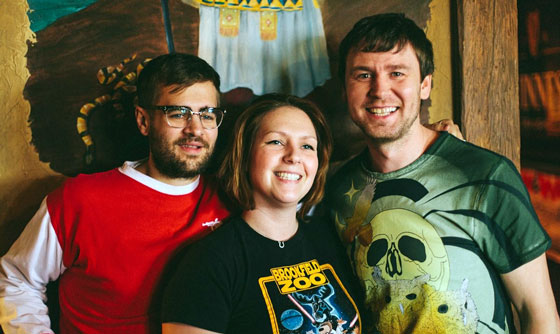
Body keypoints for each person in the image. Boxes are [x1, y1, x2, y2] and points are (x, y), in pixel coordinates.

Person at [325, 13, 560, 334]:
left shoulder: (486, 175)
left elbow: (539, 315)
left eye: (397, 73)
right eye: (363, 75)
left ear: (425, 84)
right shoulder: (338, 190)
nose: (380, 90)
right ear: (345, 90)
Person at [0, 53, 230, 333]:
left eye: (207, 115)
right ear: (143, 121)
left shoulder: (231, 197)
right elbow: (16, 280)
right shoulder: (81, 199)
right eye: (178, 114)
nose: (196, 129)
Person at [161, 94, 362, 334]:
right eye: (276, 142)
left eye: (307, 146)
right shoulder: (209, 264)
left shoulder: (331, 237)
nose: (294, 156)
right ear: (245, 155)